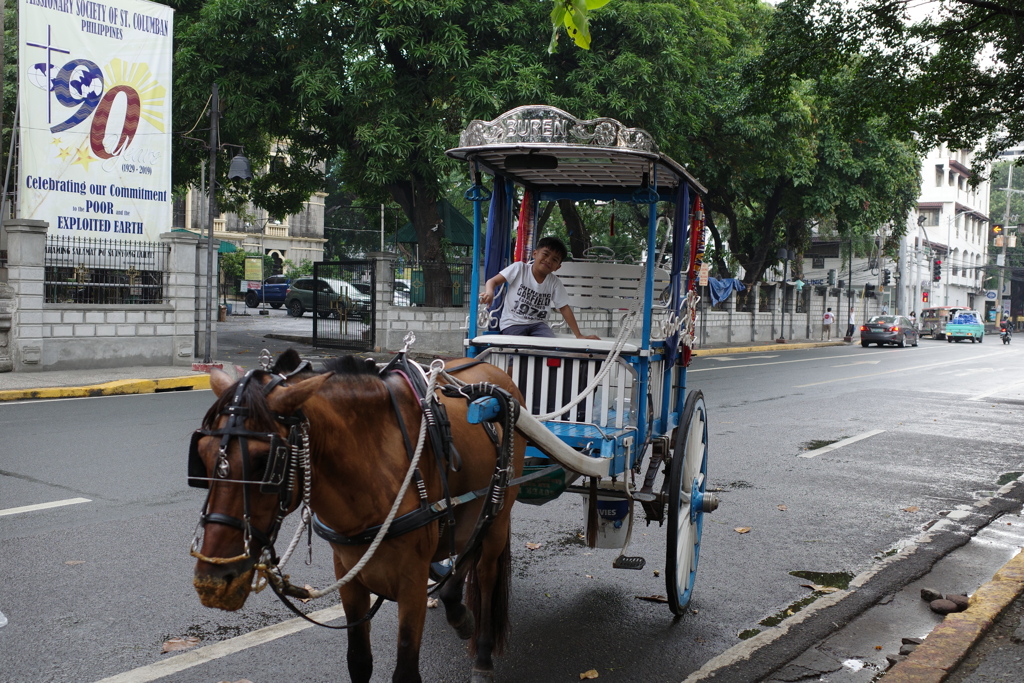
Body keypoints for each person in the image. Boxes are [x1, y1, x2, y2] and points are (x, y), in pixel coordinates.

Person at [480, 236, 600, 340]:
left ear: (557, 267)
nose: (548, 260)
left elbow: (564, 308)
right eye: (545, 254)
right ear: (535, 254)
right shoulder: (519, 268)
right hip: (513, 323)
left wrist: (579, 335)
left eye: (554, 259)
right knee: (516, 352)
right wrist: (489, 293)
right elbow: (493, 281)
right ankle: (512, 367)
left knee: (549, 347)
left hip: (538, 325)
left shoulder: (554, 282)